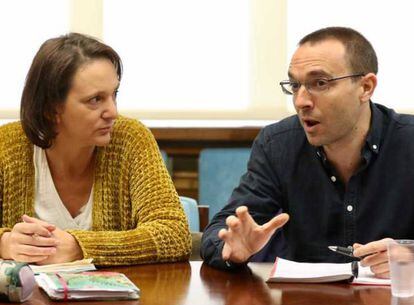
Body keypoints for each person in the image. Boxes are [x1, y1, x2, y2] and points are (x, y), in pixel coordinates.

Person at [201, 26, 414, 278]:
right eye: (294, 85)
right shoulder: (278, 144)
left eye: (320, 83)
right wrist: (232, 249)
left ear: (365, 87)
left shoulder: (408, 141)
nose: (301, 101)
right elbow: (219, 231)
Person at [0, 33, 191, 265]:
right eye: (95, 100)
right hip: (27, 301)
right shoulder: (7, 146)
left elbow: (174, 234)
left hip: (121, 300)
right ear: (51, 109)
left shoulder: (131, 139)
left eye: (114, 94)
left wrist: (80, 248)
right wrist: (6, 242)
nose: (112, 112)